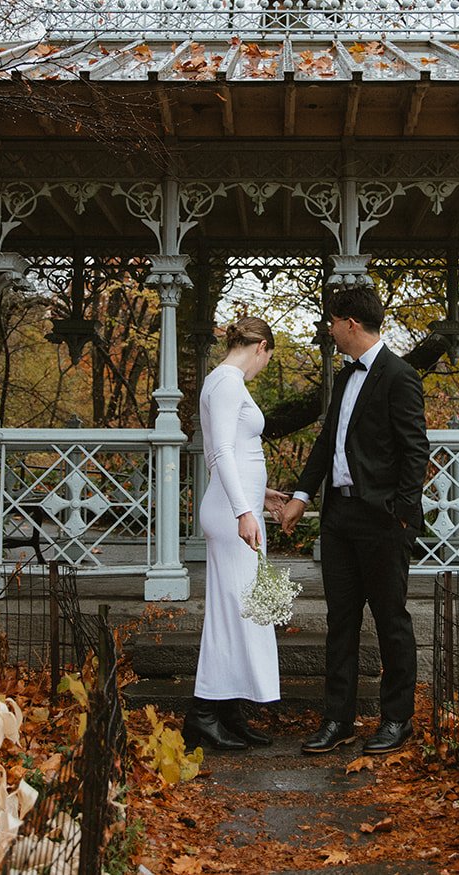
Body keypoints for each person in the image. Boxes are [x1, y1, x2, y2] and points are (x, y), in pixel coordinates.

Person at [278, 287, 428, 756]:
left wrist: (401, 514)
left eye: (332, 321)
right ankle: (337, 719)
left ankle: (396, 719)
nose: (329, 329)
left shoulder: (400, 375)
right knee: (340, 620)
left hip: (383, 520)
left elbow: (415, 450)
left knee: (390, 620)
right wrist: (302, 495)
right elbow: (327, 442)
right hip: (339, 517)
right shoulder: (343, 379)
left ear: (351, 323)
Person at [184, 316, 287, 752]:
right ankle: (204, 713)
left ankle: (228, 710)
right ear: (261, 346)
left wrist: (258, 494)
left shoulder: (222, 382)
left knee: (243, 611)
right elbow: (221, 450)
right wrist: (244, 509)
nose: (263, 366)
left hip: (238, 506)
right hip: (231, 514)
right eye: (268, 358)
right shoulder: (226, 382)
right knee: (233, 613)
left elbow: (235, 452)